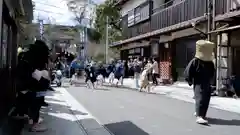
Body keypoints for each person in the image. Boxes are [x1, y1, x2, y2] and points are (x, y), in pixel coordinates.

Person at [184, 40, 215, 124]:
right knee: (200, 98)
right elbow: (188, 71)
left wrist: (212, 83)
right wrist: (189, 80)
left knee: (206, 99)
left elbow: (213, 73)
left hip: (207, 83)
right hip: (198, 83)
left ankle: (201, 114)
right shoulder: (196, 61)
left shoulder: (210, 62)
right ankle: (199, 116)